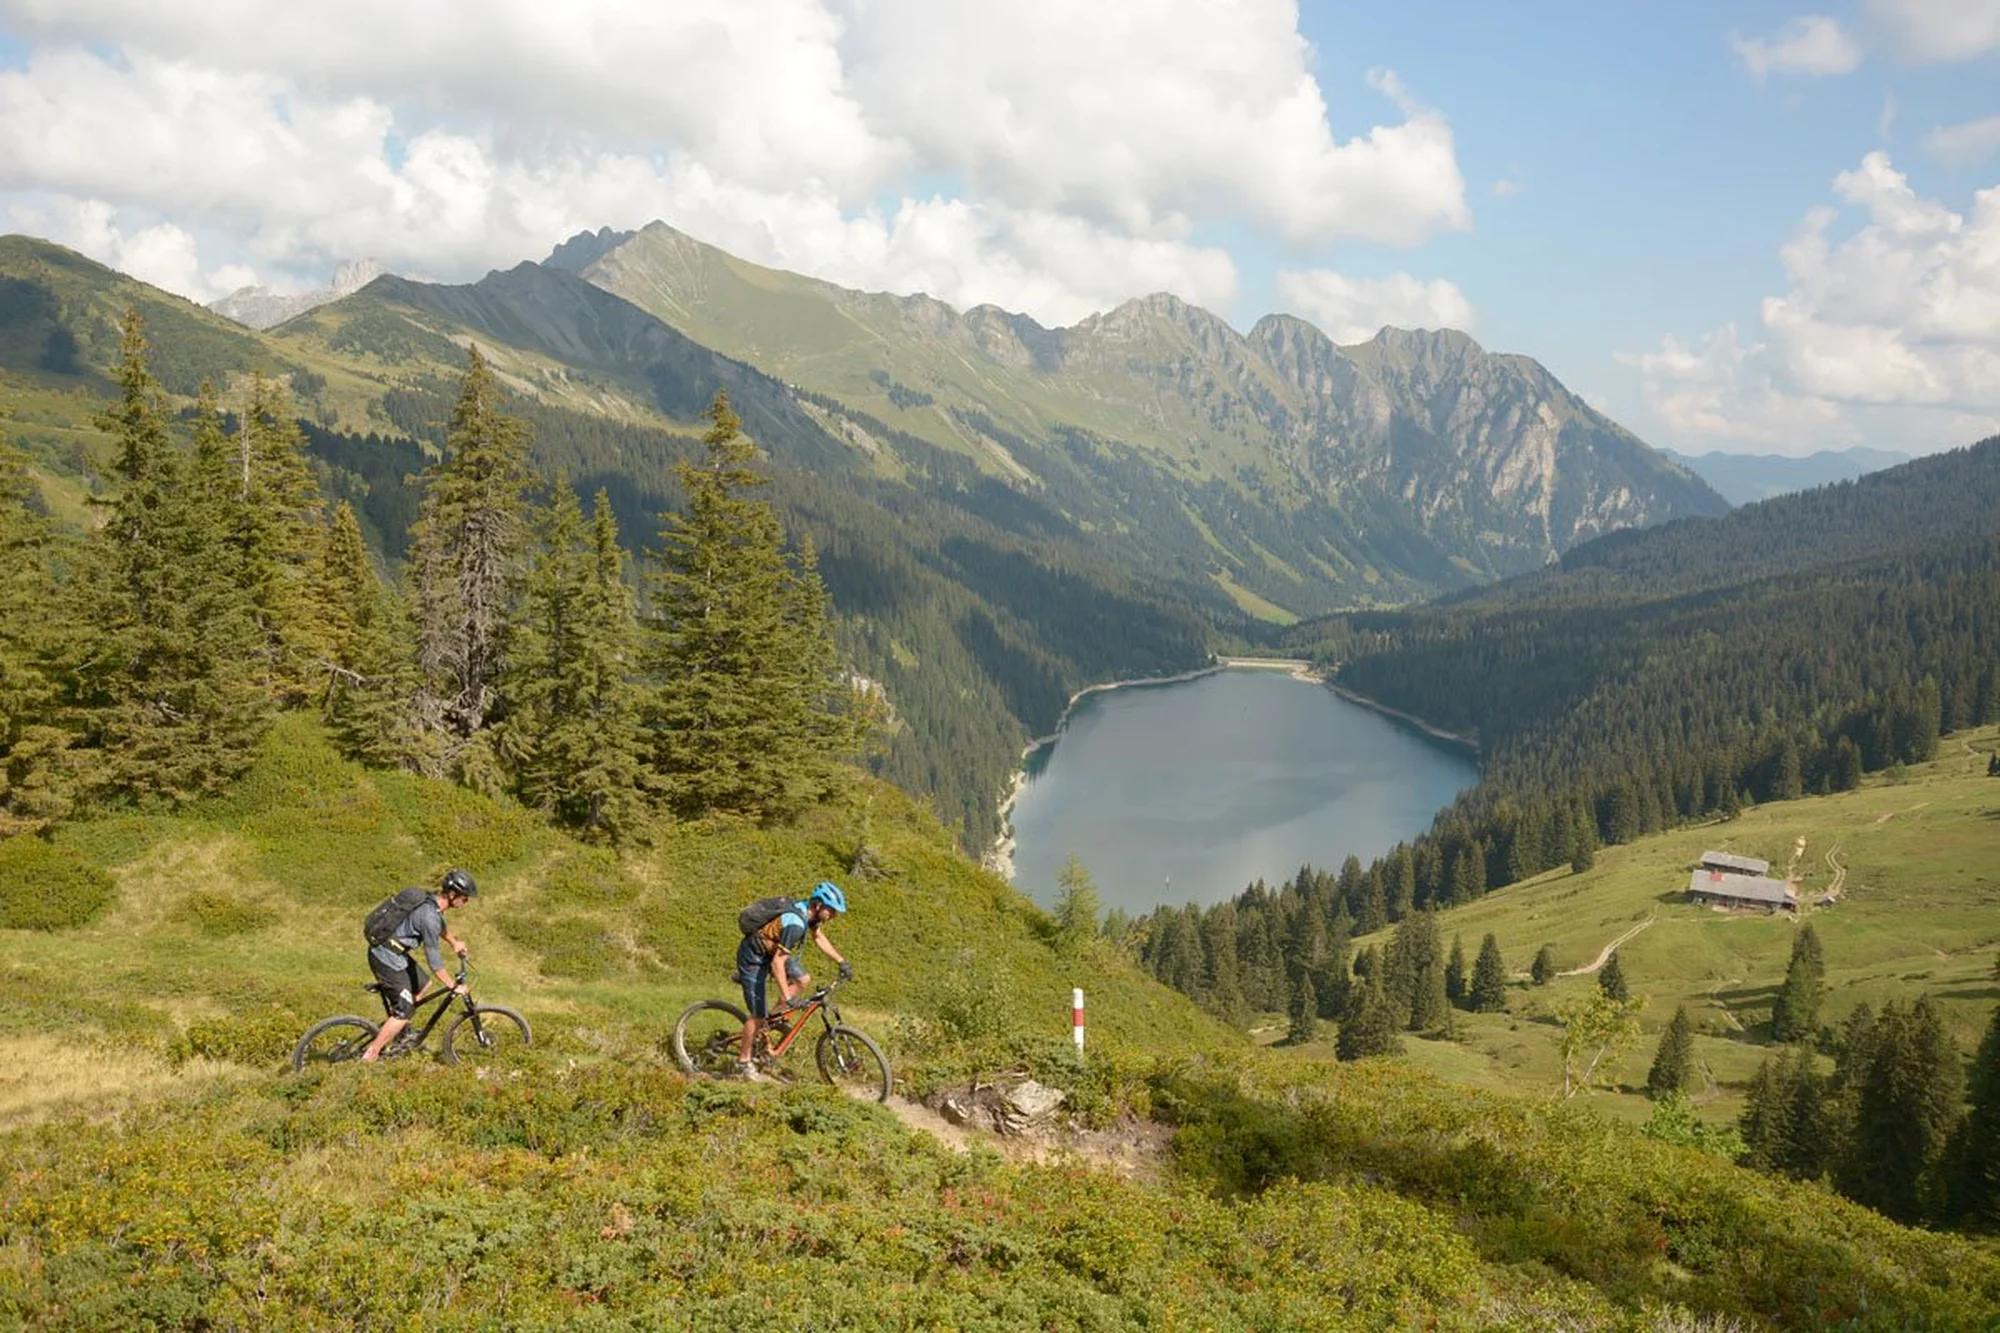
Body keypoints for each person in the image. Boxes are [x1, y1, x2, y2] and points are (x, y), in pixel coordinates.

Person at [734, 880, 851, 1080]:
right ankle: (743, 1061)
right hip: (754, 956)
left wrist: (841, 961)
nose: (833, 916)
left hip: (772, 949)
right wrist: (787, 996)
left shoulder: (809, 914)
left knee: (802, 979)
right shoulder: (795, 924)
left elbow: (818, 937)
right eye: (831, 911)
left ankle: (771, 1022)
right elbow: (778, 964)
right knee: (757, 1015)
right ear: (819, 905)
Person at [361, 868, 477, 1062]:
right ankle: (370, 1056)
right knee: (405, 1009)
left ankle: (399, 1031)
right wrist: (453, 986)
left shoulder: (431, 903)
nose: (466, 902)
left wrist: (454, 942)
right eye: (464, 898)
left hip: (395, 953)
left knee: (424, 985)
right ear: (451, 894)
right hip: (385, 957)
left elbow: (440, 925)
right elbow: (435, 963)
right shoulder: (430, 917)